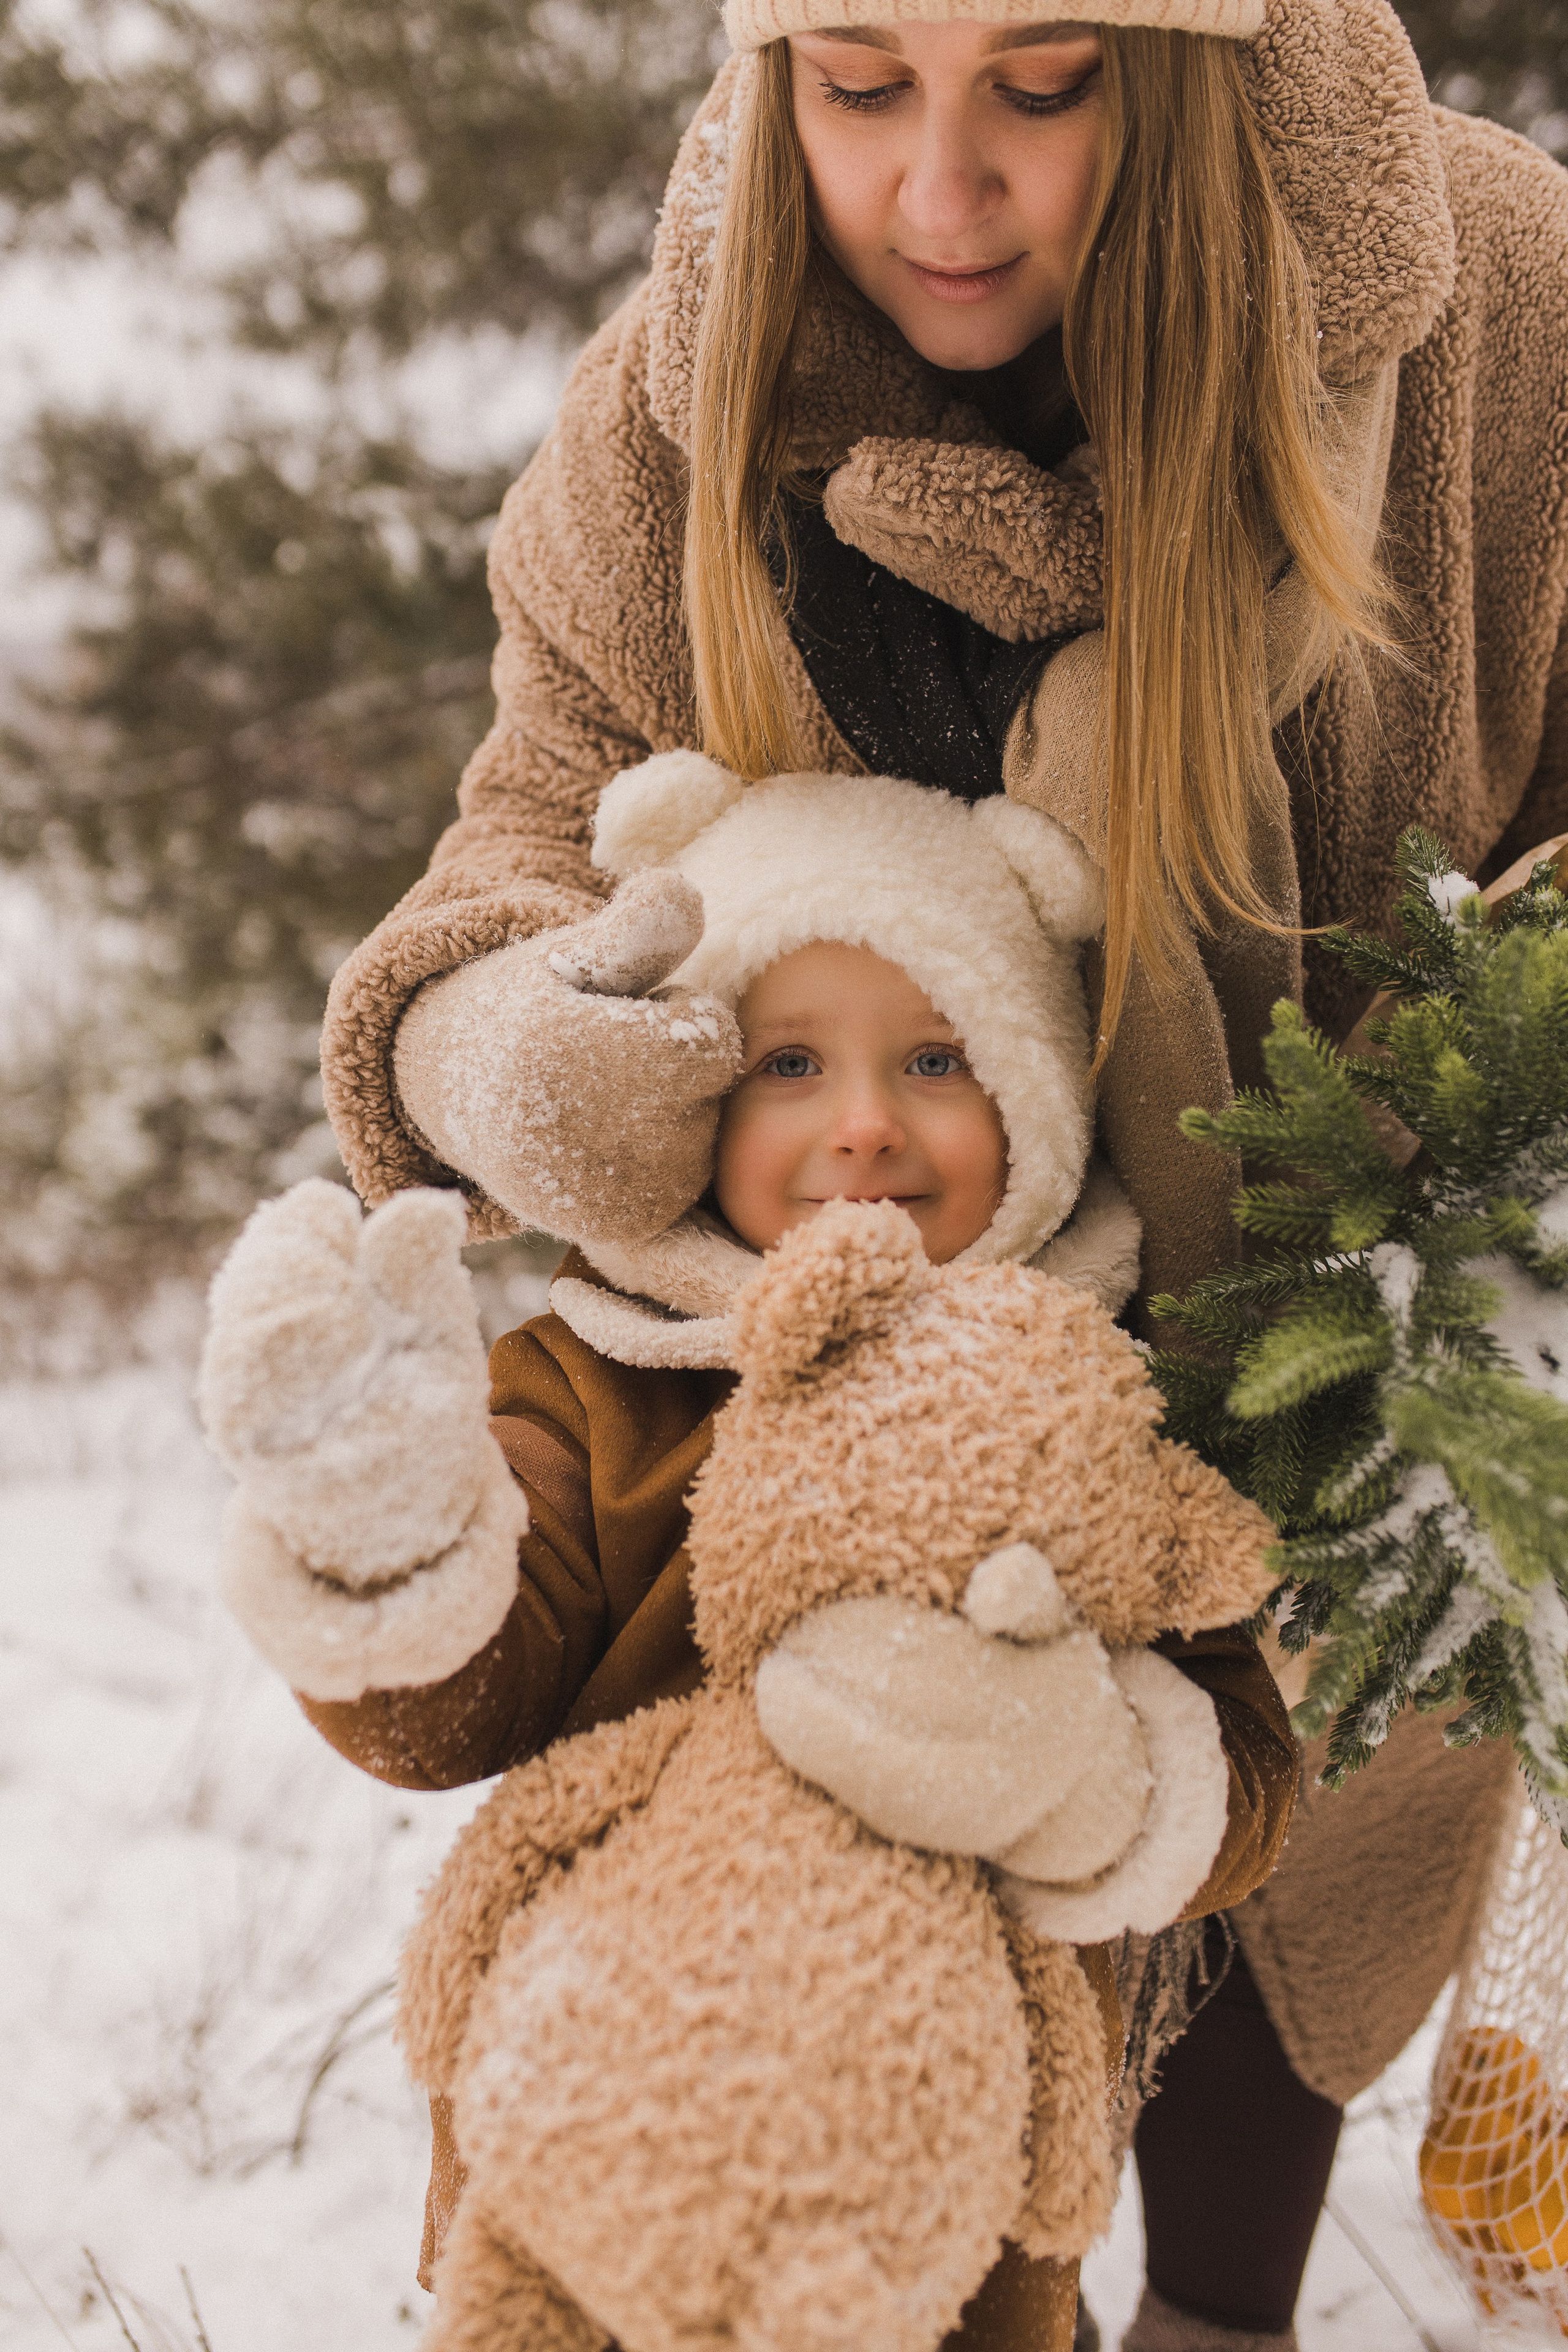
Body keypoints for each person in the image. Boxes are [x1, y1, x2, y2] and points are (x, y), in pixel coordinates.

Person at [315, 1, 1568, 2343]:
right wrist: (501, 1041)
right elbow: (523, 817)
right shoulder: (688, 394)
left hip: (1355, 1333)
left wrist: (1501, 1157)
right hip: (878, 1415)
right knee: (905, 1991)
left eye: (1047, 83)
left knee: (1254, 1891)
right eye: (860, 82)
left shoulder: (1490, 313)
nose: (939, 194)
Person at [202, 767, 1297, 2352]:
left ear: (1041, 1095)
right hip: (587, 2140)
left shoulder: (1087, 1404)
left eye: (938, 1057)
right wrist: (392, 1523)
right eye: (790, 1063)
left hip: (942, 2212)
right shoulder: (598, 1388)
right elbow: (451, 1710)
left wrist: (1091, 1767)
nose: (865, 1124)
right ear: (696, 1102)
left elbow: (1246, 1775)